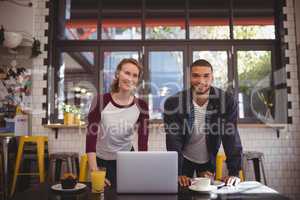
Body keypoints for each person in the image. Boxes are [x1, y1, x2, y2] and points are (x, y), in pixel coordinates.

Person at [163, 59, 243, 187]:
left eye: (206, 76)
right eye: (196, 75)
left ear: (212, 77)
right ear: (189, 77)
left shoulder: (226, 101)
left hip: (208, 158)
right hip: (183, 160)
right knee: (182, 193)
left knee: (207, 193)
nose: (201, 81)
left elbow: (231, 137)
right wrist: (176, 172)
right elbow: (174, 139)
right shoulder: (173, 103)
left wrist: (234, 172)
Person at [86, 58, 149, 186]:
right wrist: (94, 171)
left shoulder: (142, 105)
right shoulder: (100, 101)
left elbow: (143, 141)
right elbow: (90, 139)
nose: (130, 78)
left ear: (137, 80)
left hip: (127, 160)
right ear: (117, 74)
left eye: (135, 75)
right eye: (127, 73)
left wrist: (142, 167)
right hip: (102, 161)